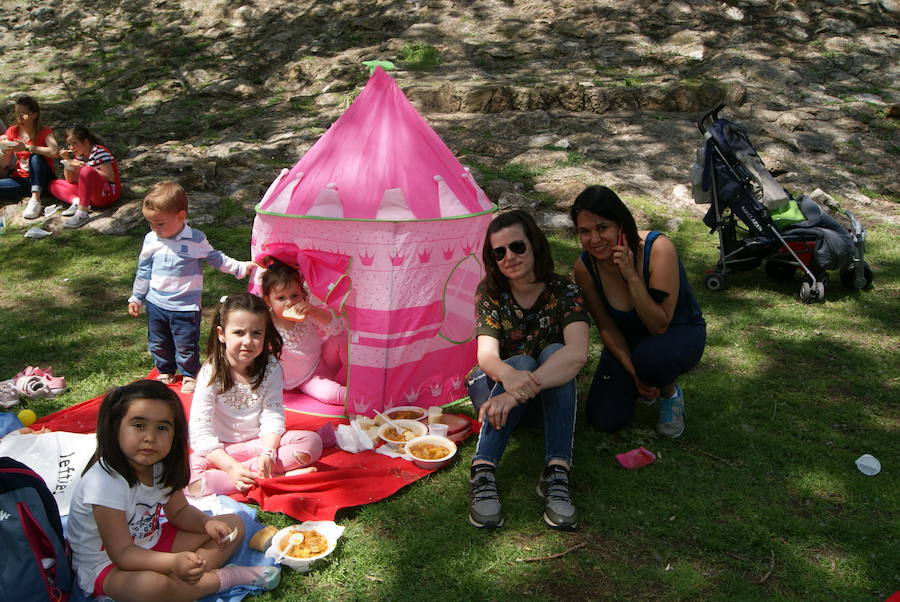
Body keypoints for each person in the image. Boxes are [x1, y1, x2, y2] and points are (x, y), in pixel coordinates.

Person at [66, 380, 281, 601]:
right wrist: (173, 563)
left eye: (162, 428)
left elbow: (179, 512)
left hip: (152, 541)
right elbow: (122, 554)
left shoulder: (160, 467)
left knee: (233, 526)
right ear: (115, 428)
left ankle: (185, 582)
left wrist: (206, 524)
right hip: (107, 564)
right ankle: (224, 578)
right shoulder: (104, 483)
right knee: (152, 586)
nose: (150, 437)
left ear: (175, 434)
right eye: (139, 425)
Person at [466, 209, 589, 531]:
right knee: (519, 361)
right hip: (492, 394)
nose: (509, 257)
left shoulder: (566, 292)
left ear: (534, 245)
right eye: (499, 252)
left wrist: (517, 394)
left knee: (557, 353)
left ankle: (556, 472)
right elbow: (488, 358)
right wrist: (510, 382)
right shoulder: (491, 292)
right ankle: (482, 470)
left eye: (517, 247)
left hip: (535, 400)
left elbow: (578, 355)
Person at [570, 185, 706, 438]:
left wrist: (632, 277)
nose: (594, 239)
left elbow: (659, 325)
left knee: (651, 359)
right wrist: (633, 374)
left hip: (678, 331)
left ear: (621, 225)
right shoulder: (584, 268)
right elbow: (606, 327)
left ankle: (670, 395)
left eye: (602, 227)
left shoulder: (658, 248)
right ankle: (642, 381)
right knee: (603, 420)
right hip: (632, 343)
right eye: (584, 231)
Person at [187, 293, 323, 496]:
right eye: (239, 332)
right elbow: (200, 431)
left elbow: (273, 414)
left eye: (256, 333)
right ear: (221, 334)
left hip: (259, 444)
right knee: (188, 478)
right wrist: (230, 466)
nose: (248, 341)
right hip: (221, 450)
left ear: (265, 334)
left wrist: (268, 452)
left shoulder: (271, 368)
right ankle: (270, 476)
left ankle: (248, 475)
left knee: (312, 442)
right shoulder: (211, 372)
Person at [128, 181, 253, 393]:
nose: (155, 229)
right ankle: (165, 370)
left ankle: (189, 374)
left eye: (160, 223)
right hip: (156, 302)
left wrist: (240, 268)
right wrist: (136, 297)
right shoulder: (151, 240)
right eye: (151, 223)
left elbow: (216, 258)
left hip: (185, 306)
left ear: (181, 216)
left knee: (186, 344)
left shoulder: (195, 239)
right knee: (158, 341)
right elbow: (144, 270)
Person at [260, 258, 347, 405]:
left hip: (319, 364)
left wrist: (315, 312)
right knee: (331, 394)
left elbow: (337, 327)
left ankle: (354, 375)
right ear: (268, 301)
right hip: (305, 379)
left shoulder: (307, 313)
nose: (290, 302)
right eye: (281, 298)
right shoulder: (266, 324)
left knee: (341, 337)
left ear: (303, 294)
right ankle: (354, 397)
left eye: (295, 295)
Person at [49, 124, 121, 229]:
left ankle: (82, 213)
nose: (71, 148)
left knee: (87, 170)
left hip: (107, 194)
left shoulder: (99, 151)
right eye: (69, 144)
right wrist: (67, 161)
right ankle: (79, 202)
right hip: (90, 195)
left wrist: (84, 167)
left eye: (74, 143)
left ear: (86, 142)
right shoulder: (80, 156)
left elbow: (110, 177)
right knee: (54, 184)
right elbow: (70, 180)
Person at [0, 96, 58, 219]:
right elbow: (4, 164)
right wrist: (4, 149)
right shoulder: (12, 131)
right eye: (17, 114)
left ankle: (35, 200)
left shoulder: (44, 132)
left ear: (34, 115)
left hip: (43, 180)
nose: (20, 118)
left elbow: (54, 151)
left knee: (36, 157)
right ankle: (31, 194)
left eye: (24, 115)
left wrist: (27, 147)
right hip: (22, 179)